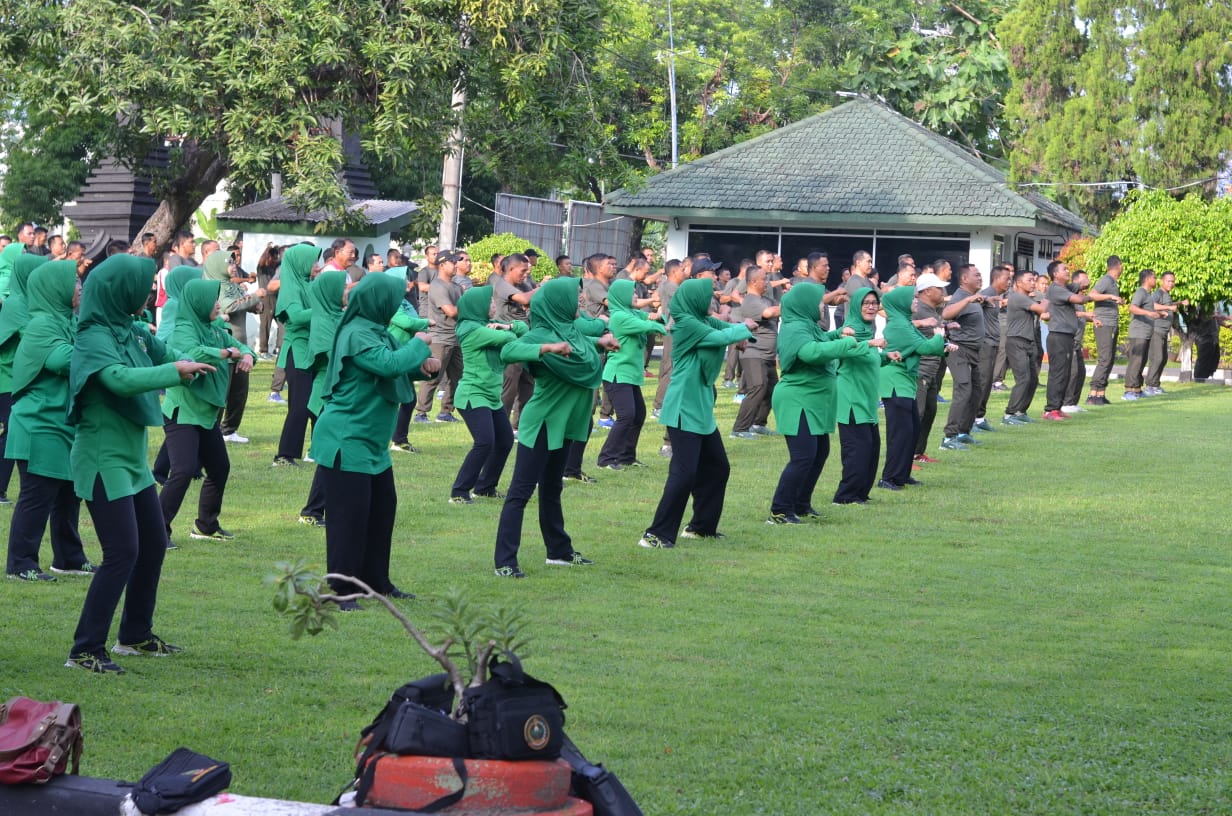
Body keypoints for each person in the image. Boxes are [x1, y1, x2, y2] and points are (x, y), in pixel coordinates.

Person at [65, 255, 214, 674]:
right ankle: (85, 649)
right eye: (140, 285)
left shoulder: (130, 330)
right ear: (117, 290)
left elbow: (169, 350)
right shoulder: (93, 336)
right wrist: (173, 371)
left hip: (131, 460)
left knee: (151, 543)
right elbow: (118, 380)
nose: (147, 292)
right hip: (101, 459)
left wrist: (210, 354)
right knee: (121, 552)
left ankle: (134, 635)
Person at [309, 274, 438, 609]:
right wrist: (420, 343)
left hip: (372, 443)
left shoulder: (376, 330)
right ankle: (341, 590)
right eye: (394, 299)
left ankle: (375, 582)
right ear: (377, 301)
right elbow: (387, 364)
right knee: (347, 520)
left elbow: (397, 366)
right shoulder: (356, 333)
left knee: (381, 512)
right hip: (347, 438)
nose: (397, 305)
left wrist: (424, 368)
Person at [492, 277, 614, 577]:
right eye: (574, 299)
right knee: (520, 492)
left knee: (552, 488)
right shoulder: (542, 334)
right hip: (544, 422)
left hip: (566, 424)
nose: (580, 303)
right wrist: (546, 348)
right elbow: (508, 353)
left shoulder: (571, 329)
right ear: (557, 303)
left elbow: (583, 344)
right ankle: (505, 562)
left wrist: (601, 342)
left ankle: (558, 551)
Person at [638, 278, 753, 549]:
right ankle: (656, 534)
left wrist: (744, 334)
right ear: (695, 299)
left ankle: (701, 528)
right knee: (684, 473)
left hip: (700, 406)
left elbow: (724, 328)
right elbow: (719, 336)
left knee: (717, 467)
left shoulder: (700, 318)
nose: (711, 300)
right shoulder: (685, 323)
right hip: (683, 406)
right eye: (707, 296)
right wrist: (742, 330)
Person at [5, 259, 94, 581]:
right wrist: (100, 349)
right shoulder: (42, 324)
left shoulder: (67, 320)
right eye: (75, 283)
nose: (80, 288)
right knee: (37, 496)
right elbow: (63, 360)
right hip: (38, 423)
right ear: (55, 288)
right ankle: (21, 564)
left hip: (62, 423)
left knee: (69, 494)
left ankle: (69, 558)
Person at [159, 279, 254, 544]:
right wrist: (227, 353)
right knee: (183, 470)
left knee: (219, 467)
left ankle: (205, 526)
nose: (217, 304)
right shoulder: (183, 327)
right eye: (213, 299)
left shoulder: (213, 327)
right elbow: (193, 351)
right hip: (184, 412)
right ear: (198, 301)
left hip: (206, 414)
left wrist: (246, 356)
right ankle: (156, 530)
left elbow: (240, 347)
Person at [767, 283, 864, 524]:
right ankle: (780, 510)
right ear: (805, 304)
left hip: (813, 399)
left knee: (820, 451)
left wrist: (837, 334)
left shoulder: (806, 324)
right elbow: (810, 352)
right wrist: (845, 343)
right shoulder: (794, 328)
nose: (823, 305)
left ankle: (800, 503)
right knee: (803, 456)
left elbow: (820, 339)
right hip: (797, 399)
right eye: (819, 302)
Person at [448, 285, 526, 502]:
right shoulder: (471, 329)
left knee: (505, 441)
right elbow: (512, 340)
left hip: (491, 396)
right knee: (484, 442)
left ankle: (485, 487)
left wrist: (507, 325)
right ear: (477, 306)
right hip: (473, 394)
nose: (494, 305)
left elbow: (523, 329)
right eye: (490, 302)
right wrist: (505, 330)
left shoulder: (486, 325)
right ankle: (459, 492)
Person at [879, 285, 950, 488]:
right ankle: (888, 477)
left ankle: (902, 474)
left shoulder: (905, 323)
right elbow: (925, 347)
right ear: (902, 303)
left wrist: (943, 346)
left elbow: (926, 345)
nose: (916, 301)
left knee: (911, 428)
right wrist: (938, 336)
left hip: (905, 382)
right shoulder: (899, 326)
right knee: (899, 432)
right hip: (895, 383)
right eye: (912, 299)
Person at [833, 289, 895, 504]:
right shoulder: (849, 329)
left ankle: (860, 493)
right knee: (857, 451)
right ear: (857, 305)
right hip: (851, 400)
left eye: (874, 303)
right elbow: (845, 350)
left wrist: (885, 356)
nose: (871, 307)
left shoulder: (868, 329)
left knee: (871, 449)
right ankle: (845, 496)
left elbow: (868, 358)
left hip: (866, 401)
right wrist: (872, 344)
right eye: (866, 303)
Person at [596, 279, 664, 469]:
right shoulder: (619, 317)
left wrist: (660, 317)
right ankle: (606, 459)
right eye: (632, 293)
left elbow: (651, 317)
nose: (636, 296)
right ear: (621, 296)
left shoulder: (631, 312)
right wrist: (663, 327)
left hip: (630, 375)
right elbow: (648, 326)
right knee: (627, 416)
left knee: (638, 414)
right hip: (618, 374)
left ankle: (626, 457)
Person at [0, 248, 45, 504]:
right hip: (7, 376)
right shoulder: (17, 302)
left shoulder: (28, 299)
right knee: (11, 430)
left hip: (19, 376)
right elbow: (34, 335)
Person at [272, 243, 320, 467]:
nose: (316, 266)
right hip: (297, 351)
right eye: (312, 261)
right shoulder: (290, 288)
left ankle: (319, 449)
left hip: (311, 351)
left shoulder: (308, 284)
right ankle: (284, 455)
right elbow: (297, 317)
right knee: (300, 406)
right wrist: (324, 309)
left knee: (317, 403)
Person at [413, 251, 463, 423]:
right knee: (433, 376)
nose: (457, 265)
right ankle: (421, 413)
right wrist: (470, 307)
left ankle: (446, 411)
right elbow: (451, 311)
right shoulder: (438, 286)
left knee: (457, 377)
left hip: (456, 337)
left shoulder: (456, 287)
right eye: (453, 262)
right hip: (440, 338)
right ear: (442, 265)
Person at [939, 265, 987, 447]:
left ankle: (963, 432)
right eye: (977, 275)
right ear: (965, 279)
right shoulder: (960, 297)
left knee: (976, 391)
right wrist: (968, 301)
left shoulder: (973, 298)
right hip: (959, 350)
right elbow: (946, 313)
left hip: (973, 351)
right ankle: (948, 437)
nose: (980, 277)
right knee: (964, 389)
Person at [730, 266, 780, 439]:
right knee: (758, 387)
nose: (767, 281)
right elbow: (768, 313)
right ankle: (739, 429)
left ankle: (758, 423)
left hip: (767, 355)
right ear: (753, 282)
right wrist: (792, 304)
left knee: (771, 388)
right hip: (753, 352)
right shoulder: (750, 300)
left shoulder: (765, 298)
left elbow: (775, 308)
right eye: (764, 278)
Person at [1041, 261, 1091, 420]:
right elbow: (1079, 299)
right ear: (1055, 274)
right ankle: (1050, 410)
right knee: (1057, 373)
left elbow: (1078, 286)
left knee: (1065, 373)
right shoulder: (1055, 289)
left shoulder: (1064, 287)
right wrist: (1091, 296)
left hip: (1066, 336)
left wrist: (1082, 283)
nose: (1068, 271)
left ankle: (1058, 406)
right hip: (1058, 336)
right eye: (1065, 269)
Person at [1002, 269, 1050, 424]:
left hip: (1027, 342)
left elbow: (1042, 313)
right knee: (1023, 379)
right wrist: (1050, 296)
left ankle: (1020, 411)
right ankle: (1009, 414)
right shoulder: (1017, 297)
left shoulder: (1026, 299)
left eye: (1034, 280)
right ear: (1018, 282)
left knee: (1033, 380)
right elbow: (1042, 309)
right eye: (1029, 280)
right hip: (1016, 342)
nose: (1033, 283)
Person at [1086, 256, 1125, 405]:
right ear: (1119, 266)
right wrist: (1110, 295)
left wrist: (1116, 300)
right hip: (1104, 324)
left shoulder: (1113, 282)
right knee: (1104, 358)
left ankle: (1101, 394)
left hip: (1111, 323)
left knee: (1109, 359)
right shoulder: (1106, 280)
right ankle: (1092, 395)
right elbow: (1092, 295)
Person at [1123, 269, 1164, 401]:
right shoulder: (1140, 292)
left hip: (1146, 333)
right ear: (1147, 279)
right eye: (1154, 278)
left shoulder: (1148, 294)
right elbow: (1132, 307)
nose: (1156, 280)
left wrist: (1158, 314)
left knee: (1142, 361)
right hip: (1138, 333)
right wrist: (1149, 313)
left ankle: (1137, 389)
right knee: (1136, 361)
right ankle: (1129, 390)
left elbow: (1148, 311)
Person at [1144, 271, 1180, 396]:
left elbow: (1167, 306)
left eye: (1172, 281)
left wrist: (1178, 303)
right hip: (1156, 330)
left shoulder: (1166, 295)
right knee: (1157, 358)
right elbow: (1150, 305)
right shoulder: (1158, 293)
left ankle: (1155, 385)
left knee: (1163, 359)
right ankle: (1149, 386)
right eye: (1168, 281)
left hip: (1164, 331)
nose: (1171, 283)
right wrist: (1170, 308)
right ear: (1162, 281)